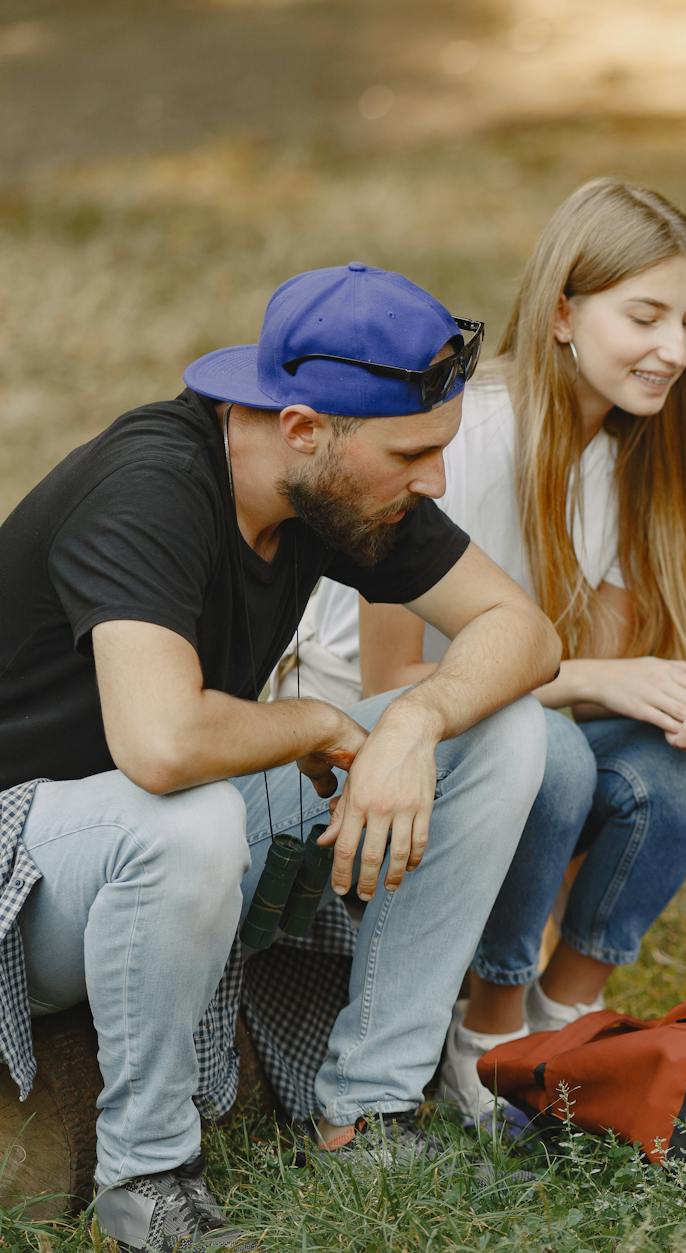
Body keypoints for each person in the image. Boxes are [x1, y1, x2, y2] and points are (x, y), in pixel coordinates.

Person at [0, 263, 562, 1251]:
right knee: (193, 809)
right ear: (303, 427)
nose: (433, 479)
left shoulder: (331, 487)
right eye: (412, 454)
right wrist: (316, 721)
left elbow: (523, 632)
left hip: (149, 831)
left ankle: (368, 1113)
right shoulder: (152, 486)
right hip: (23, 862)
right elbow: (164, 742)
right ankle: (148, 1175)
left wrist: (412, 721)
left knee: (505, 727)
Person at [307, 180, 686, 1119]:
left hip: (499, 726)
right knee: (541, 740)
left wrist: (677, 699)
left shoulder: (624, 456)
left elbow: (595, 680)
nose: (676, 349)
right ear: (560, 314)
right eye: (645, 316)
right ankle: (492, 1021)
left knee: (683, 766)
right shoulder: (464, 441)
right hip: (367, 734)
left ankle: (566, 1008)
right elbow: (394, 678)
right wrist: (595, 677)